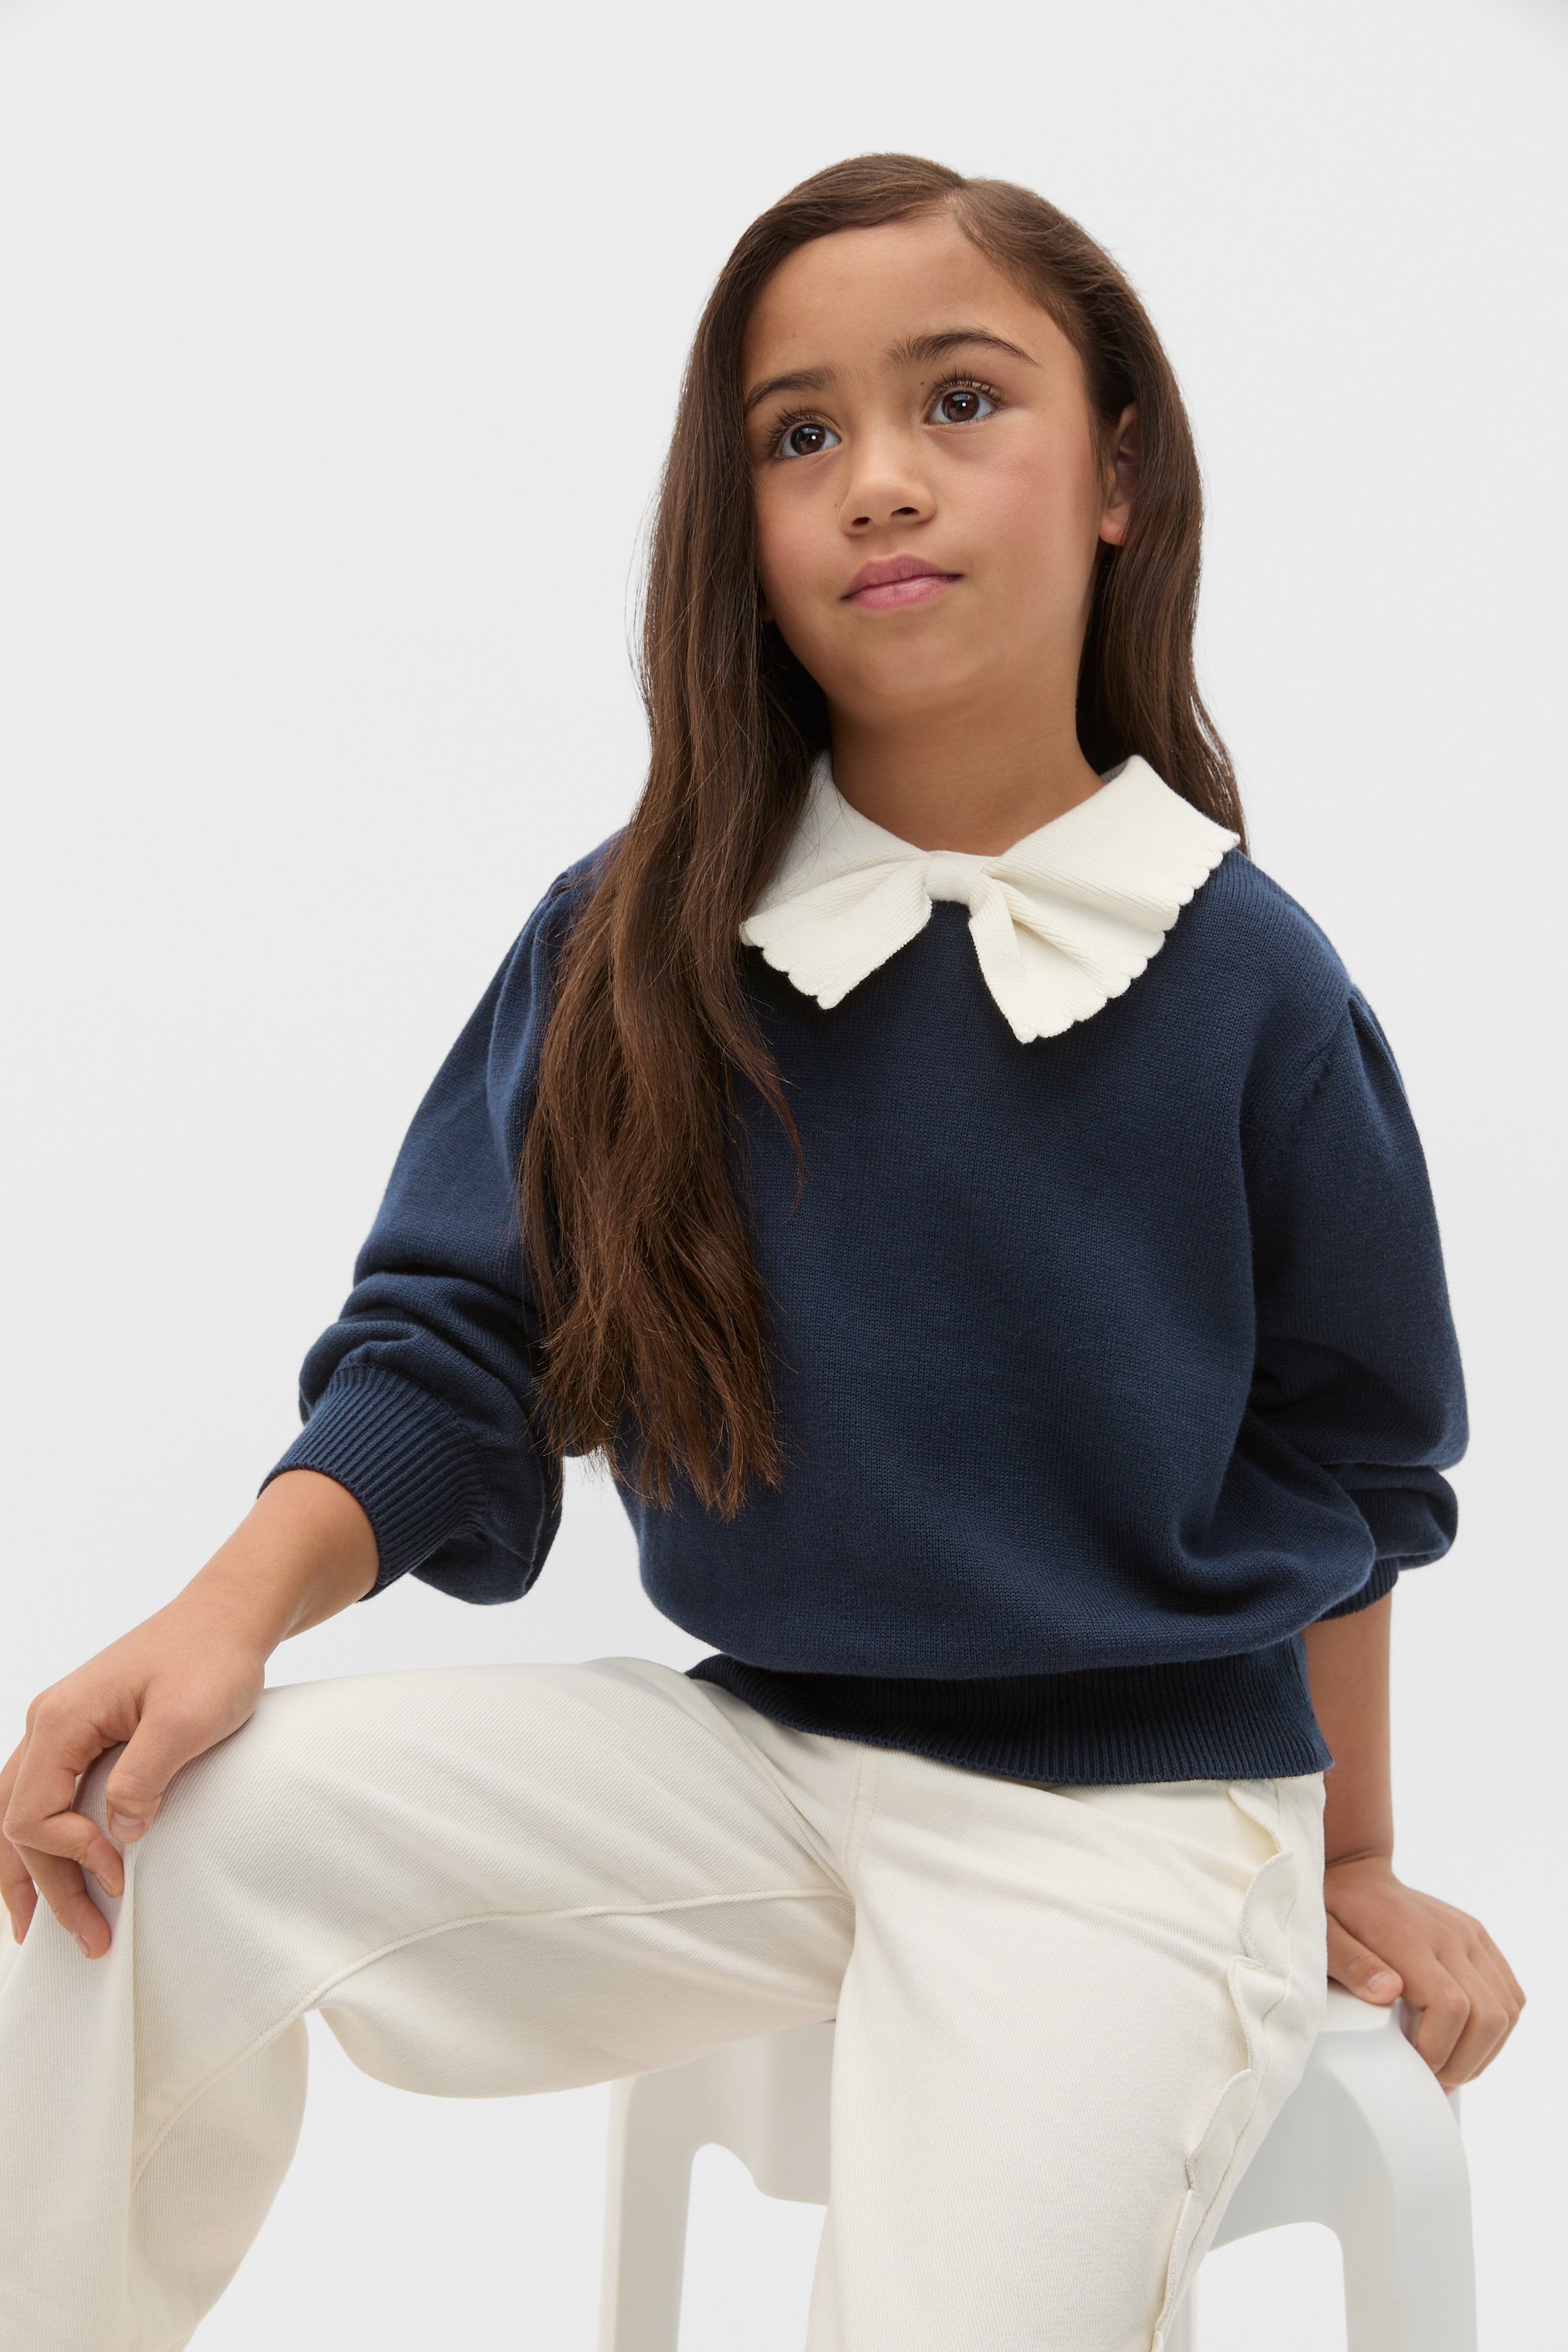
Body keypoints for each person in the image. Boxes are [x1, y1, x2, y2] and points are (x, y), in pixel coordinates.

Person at [0, 151, 1525, 2352]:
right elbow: (456, 1348)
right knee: (156, 1838)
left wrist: (1351, 1856)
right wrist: (216, 1616)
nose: (877, 479)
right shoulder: (636, 936)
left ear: (1119, 475)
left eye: (959, 402)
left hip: (1129, 1824)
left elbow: (1355, 1465)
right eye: (801, 435)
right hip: (756, 1760)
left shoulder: (1250, 984)